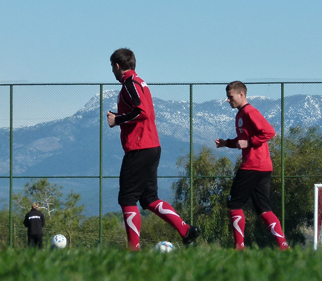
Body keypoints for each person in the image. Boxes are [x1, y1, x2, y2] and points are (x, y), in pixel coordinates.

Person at [107, 48, 200, 251]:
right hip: (151, 146)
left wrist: (117, 119)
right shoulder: (139, 82)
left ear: (117, 66)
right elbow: (141, 111)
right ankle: (185, 230)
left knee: (127, 198)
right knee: (149, 199)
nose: (112, 72)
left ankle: (134, 249)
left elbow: (142, 112)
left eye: (111, 68)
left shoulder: (130, 83)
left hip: (139, 148)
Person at [215, 81, 289, 251]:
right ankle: (283, 246)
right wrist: (227, 143)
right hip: (263, 167)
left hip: (252, 166)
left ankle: (239, 247)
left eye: (230, 96)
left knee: (234, 204)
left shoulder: (250, 111)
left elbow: (269, 132)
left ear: (241, 95)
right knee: (263, 209)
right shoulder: (240, 114)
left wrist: (249, 142)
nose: (228, 100)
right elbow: (243, 142)